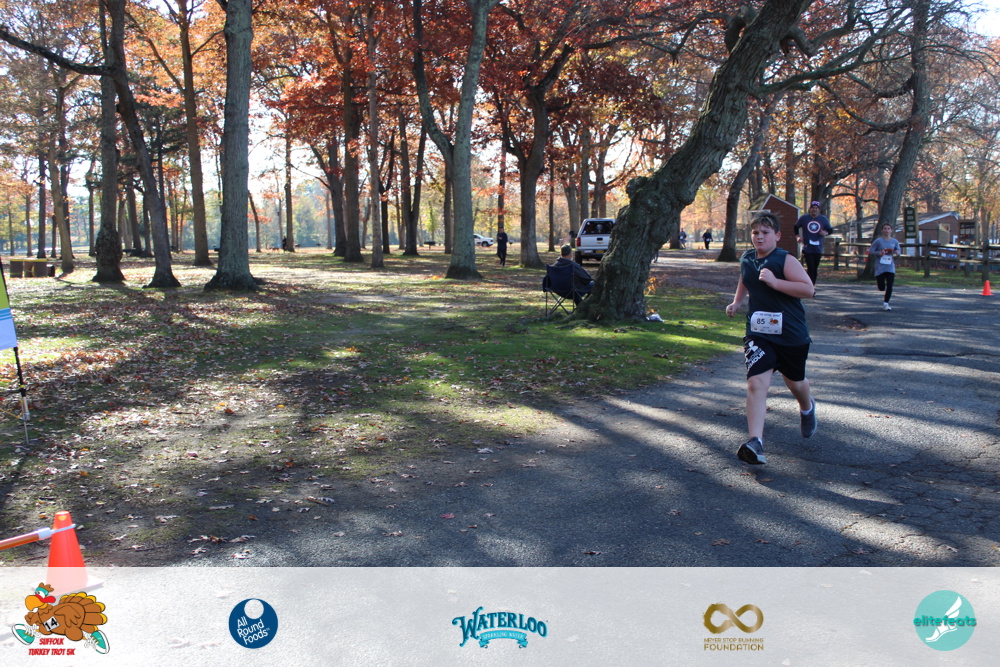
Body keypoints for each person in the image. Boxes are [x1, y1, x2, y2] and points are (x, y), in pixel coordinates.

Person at [726, 212, 817, 465]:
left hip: (791, 333)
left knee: (795, 383)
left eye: (765, 233)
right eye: (755, 232)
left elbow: (808, 289)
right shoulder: (747, 258)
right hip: (759, 332)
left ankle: (807, 407)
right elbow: (745, 278)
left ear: (777, 236)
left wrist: (776, 283)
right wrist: (737, 302)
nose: (759, 237)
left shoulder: (784, 259)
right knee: (756, 383)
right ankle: (755, 442)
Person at [794, 201, 833, 287]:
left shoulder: (823, 219)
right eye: (813, 208)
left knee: (815, 268)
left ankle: (812, 285)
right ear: (810, 209)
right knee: (810, 267)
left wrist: (825, 233)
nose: (814, 210)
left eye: (816, 208)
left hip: (818, 248)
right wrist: (798, 236)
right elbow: (796, 226)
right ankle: (810, 286)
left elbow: (830, 230)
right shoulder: (804, 218)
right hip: (807, 247)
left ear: (819, 210)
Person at [868, 222, 901, 311]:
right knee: (881, 287)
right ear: (882, 230)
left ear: (891, 230)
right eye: (885, 229)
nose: (887, 230)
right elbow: (871, 251)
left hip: (890, 266)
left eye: (888, 229)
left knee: (890, 285)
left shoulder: (894, 241)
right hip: (880, 266)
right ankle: (881, 286)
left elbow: (898, 250)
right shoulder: (878, 241)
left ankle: (886, 303)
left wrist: (897, 253)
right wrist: (879, 253)